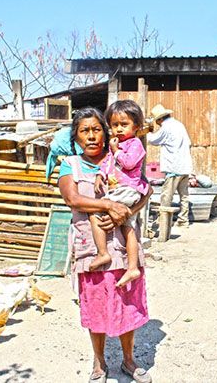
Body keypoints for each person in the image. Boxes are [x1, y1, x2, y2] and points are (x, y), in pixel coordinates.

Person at [57, 107, 153, 383]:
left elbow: (146, 190)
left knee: (126, 303)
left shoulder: (120, 160)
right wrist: (109, 205)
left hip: (123, 245)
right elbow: (73, 199)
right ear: (76, 137)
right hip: (91, 247)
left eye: (96, 129)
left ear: (106, 131)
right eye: (84, 131)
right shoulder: (71, 165)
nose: (91, 136)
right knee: (95, 305)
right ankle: (99, 363)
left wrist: (128, 212)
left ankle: (128, 360)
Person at [88, 100, 149, 288]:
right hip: (123, 191)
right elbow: (107, 163)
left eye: (124, 124)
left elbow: (129, 163)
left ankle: (103, 252)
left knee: (95, 211)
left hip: (128, 189)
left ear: (136, 126)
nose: (119, 129)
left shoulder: (135, 144)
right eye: (115, 125)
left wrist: (116, 151)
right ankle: (132, 267)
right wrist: (100, 175)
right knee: (128, 227)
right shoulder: (115, 147)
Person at [146, 104, 193, 227]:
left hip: (174, 167)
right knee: (184, 195)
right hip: (184, 166)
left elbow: (153, 140)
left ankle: (164, 222)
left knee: (167, 196)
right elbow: (189, 143)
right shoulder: (179, 124)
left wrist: (145, 132)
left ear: (160, 119)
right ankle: (183, 220)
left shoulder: (166, 127)